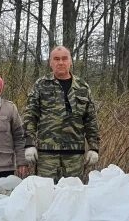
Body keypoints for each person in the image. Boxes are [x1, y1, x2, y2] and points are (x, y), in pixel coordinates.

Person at [23, 45, 100, 182]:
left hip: (74, 155)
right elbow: (30, 115)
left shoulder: (82, 87)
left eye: (64, 59)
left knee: (73, 195)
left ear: (70, 61)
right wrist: (29, 144)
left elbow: (91, 120)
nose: (60, 62)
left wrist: (94, 147)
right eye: (56, 59)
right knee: (45, 194)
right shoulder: (41, 85)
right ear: (50, 62)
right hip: (47, 154)